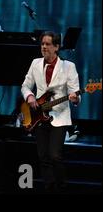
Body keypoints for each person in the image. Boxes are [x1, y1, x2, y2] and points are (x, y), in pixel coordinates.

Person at [21, 31, 80, 193]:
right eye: (42, 44)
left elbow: (75, 93)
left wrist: (75, 99)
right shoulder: (35, 63)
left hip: (59, 117)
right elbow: (25, 86)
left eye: (48, 44)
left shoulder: (68, 67)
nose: (44, 47)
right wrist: (30, 96)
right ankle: (49, 187)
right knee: (43, 156)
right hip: (39, 115)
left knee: (55, 155)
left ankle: (62, 187)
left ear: (56, 47)